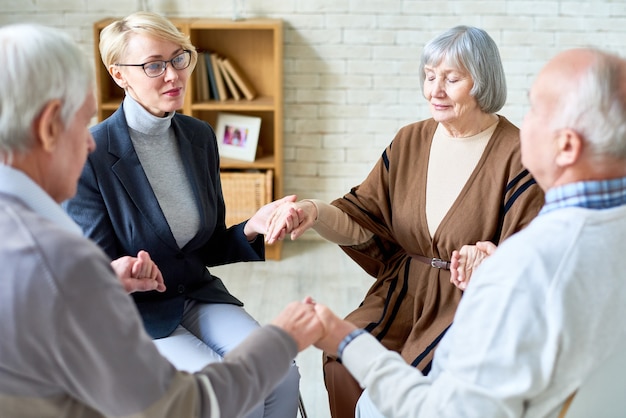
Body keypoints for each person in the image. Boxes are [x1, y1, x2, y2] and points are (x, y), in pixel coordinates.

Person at [0, 22, 325, 418]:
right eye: (154, 65)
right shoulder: (96, 157)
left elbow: (204, 247)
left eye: (179, 58)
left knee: (283, 377)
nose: (173, 74)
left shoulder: (199, 137)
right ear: (119, 74)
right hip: (139, 311)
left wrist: (253, 226)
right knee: (245, 396)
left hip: (195, 293)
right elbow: (180, 401)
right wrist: (282, 337)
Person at [310, 46, 626, 417]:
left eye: (536, 110)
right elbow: (367, 215)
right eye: (430, 76)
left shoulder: (524, 269)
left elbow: (446, 410)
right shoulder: (549, 254)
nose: (523, 122)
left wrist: (345, 340)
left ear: (567, 145)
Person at [266, 25, 545, 416]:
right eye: (430, 76)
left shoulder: (519, 155)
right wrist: (312, 211)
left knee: (409, 393)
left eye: (452, 78)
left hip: (467, 304)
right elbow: (363, 216)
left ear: (483, 82)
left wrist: (492, 259)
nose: (435, 90)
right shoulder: (410, 140)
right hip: (402, 290)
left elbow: (534, 255)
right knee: (342, 359)